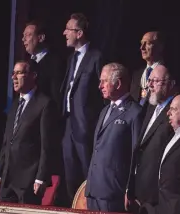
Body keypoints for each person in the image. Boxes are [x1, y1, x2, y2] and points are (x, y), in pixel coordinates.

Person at [0, 60, 60, 205]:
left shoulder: (45, 104)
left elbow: (47, 145)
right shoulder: (15, 104)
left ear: (33, 75)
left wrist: (41, 177)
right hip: (7, 180)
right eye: (13, 73)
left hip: (28, 182)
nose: (14, 77)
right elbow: (7, 142)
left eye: (19, 73)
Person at [85, 63, 142, 212]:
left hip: (113, 191)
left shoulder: (135, 112)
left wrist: (130, 190)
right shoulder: (104, 110)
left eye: (104, 81)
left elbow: (136, 156)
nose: (100, 86)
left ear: (118, 83)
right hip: (94, 190)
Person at [61, 13, 104, 203]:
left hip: (87, 126)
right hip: (69, 124)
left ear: (79, 33)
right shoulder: (71, 58)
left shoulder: (96, 57)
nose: (64, 33)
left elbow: (103, 93)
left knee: (88, 174)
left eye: (68, 29)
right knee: (70, 174)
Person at [125, 65, 177, 212]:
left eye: (155, 80)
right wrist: (130, 188)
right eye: (149, 80)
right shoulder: (150, 108)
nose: (150, 85)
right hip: (138, 194)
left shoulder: (174, 112)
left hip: (157, 197)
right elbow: (139, 150)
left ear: (170, 84)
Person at [22, 20, 64, 105]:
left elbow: (56, 96)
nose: (23, 39)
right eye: (23, 36)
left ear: (41, 38)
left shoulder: (55, 63)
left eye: (28, 35)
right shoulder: (27, 64)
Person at [130, 31, 165, 106]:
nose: (142, 48)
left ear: (160, 47)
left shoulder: (168, 73)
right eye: (142, 43)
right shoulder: (136, 74)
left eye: (148, 43)